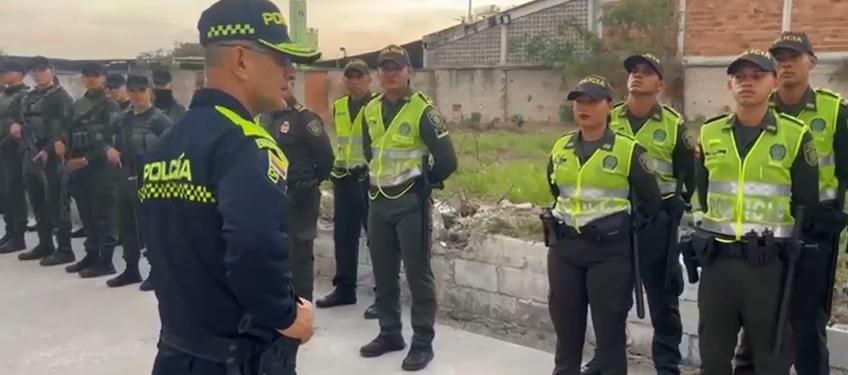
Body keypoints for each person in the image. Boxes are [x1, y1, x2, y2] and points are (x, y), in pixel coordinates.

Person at [139, 0, 321, 374]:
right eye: (280, 58)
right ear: (241, 60)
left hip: (175, 351)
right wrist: (287, 316)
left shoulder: (166, 143)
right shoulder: (246, 144)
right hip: (237, 359)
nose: (291, 72)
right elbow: (254, 247)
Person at [693, 49, 819, 374]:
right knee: (713, 357)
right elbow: (703, 195)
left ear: (774, 82)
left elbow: (806, 201)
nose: (746, 83)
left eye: (757, 76)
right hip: (717, 262)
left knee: (771, 360)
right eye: (739, 77)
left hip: (767, 266)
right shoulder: (710, 133)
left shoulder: (795, 135)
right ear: (729, 86)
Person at [732, 32, 848, 375]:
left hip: (815, 230)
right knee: (756, 316)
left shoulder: (833, 111)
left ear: (811, 61)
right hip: (765, 231)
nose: (785, 64)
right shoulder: (758, 110)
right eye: (779, 58)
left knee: (807, 320)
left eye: (793, 57)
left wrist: (834, 217)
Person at [581, 54, 694, 375]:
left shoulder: (674, 125)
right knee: (611, 298)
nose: (638, 76)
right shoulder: (610, 119)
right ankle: (607, 358)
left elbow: (691, 175)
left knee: (663, 297)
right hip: (617, 222)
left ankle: (667, 365)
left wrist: (678, 203)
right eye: (633, 71)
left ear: (660, 84)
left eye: (647, 72)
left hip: (657, 223)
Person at [544, 75, 662, 375]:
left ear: (609, 106)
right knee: (566, 329)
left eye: (593, 101)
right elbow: (556, 190)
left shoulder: (629, 150)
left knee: (609, 331)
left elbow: (651, 200)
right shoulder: (561, 147)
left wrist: (619, 226)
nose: (584, 107)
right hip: (565, 248)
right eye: (579, 101)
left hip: (609, 252)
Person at [358, 44, 457, 372]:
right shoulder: (371, 109)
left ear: (409, 72)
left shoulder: (422, 111)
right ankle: (389, 333)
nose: (390, 73)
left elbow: (447, 160)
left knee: (417, 275)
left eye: (396, 67)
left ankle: (422, 342)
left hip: (410, 204)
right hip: (377, 203)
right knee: (383, 273)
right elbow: (368, 150)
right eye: (384, 68)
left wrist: (427, 182)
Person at [259, 64, 334, 302]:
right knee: (272, 251)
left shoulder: (305, 119)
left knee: (300, 255)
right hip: (272, 195)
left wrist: (309, 182)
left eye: (289, 80)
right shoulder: (266, 117)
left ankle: (303, 306)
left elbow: (326, 159)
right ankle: (279, 302)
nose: (284, 85)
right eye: (280, 79)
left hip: (300, 196)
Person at [315, 59, 378, 318]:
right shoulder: (340, 106)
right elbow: (340, 141)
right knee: (344, 237)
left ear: (368, 79)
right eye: (350, 77)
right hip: (343, 178)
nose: (354, 81)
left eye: (359, 76)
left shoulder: (378, 106)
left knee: (377, 238)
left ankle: (384, 294)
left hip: (370, 180)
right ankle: (345, 289)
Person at [105, 74, 172, 288]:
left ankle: (157, 271)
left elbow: (171, 148)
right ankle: (131, 269)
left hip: (150, 179)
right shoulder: (122, 118)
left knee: (150, 226)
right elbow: (103, 138)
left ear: (150, 91)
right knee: (126, 225)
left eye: (141, 90)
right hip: (125, 176)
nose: (136, 95)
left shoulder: (160, 119)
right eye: (132, 91)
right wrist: (109, 149)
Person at [59, 63, 120, 277]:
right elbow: (68, 132)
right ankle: (91, 254)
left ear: (104, 78)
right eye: (87, 76)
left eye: (96, 75)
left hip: (99, 168)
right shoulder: (79, 104)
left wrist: (87, 158)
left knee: (103, 215)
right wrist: (67, 155)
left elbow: (111, 137)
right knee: (86, 214)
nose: (91, 79)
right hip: (78, 166)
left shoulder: (109, 104)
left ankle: (106, 261)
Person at [13, 56, 76, 265]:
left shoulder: (61, 97)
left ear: (51, 71)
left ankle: (65, 249)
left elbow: (66, 127)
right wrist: (16, 126)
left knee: (57, 202)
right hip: (30, 154)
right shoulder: (27, 97)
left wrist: (49, 148)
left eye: (42, 69)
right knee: (38, 203)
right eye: (35, 70)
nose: (38, 74)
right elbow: (20, 119)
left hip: (52, 157)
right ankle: (45, 243)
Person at [0, 61, 30, 254]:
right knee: (4, 193)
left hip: (15, 150)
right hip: (3, 150)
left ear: (19, 73)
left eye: (5, 72)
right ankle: (10, 231)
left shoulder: (25, 96)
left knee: (15, 191)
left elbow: (23, 124)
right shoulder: (4, 95)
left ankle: (18, 235)